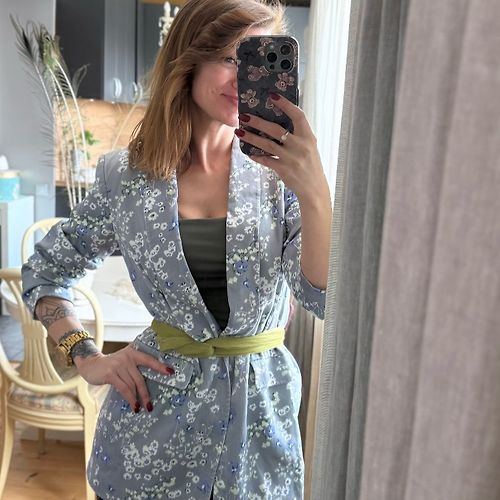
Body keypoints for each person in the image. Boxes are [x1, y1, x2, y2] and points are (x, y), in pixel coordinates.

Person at [21, 0, 332, 498]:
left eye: (257, 60)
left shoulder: (282, 177)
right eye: (230, 58)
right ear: (189, 60)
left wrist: (315, 192)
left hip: (258, 429)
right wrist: (85, 354)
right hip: (152, 428)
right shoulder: (125, 177)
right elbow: (46, 273)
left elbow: (323, 297)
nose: (244, 77)